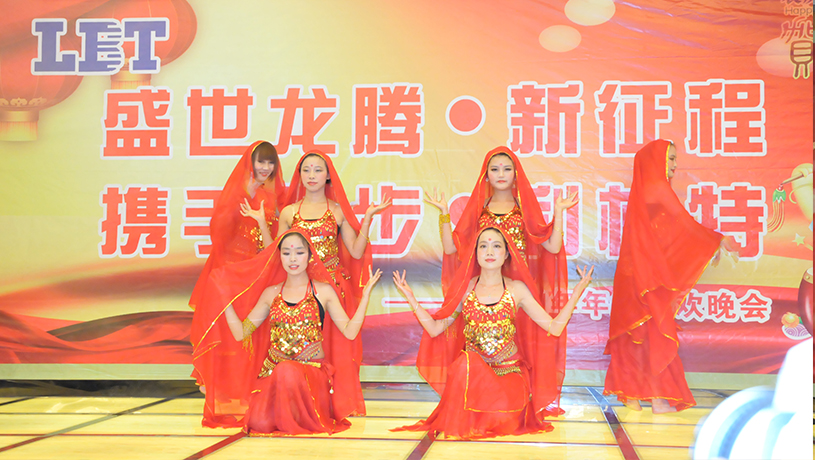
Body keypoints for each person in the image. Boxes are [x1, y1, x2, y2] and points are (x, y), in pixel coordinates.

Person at [391, 226, 593, 439]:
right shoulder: (465, 289)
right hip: (473, 377)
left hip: (509, 375)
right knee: (463, 364)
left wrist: (576, 293)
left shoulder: (517, 289)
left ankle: (480, 417)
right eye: (483, 246)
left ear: (506, 254)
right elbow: (435, 329)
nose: (489, 252)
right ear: (475, 253)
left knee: (501, 418)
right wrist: (411, 299)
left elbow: (554, 328)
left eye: (496, 246)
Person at [424, 146, 578, 412]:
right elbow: (451, 248)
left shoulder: (524, 210)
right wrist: (444, 213)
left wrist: (559, 213)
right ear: (486, 175)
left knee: (525, 347)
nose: (501, 174)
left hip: (518, 292)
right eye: (494, 169)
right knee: (479, 346)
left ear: (516, 174)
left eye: (507, 169)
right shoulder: (479, 211)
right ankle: (476, 400)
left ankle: (522, 400)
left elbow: (552, 247)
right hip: (484, 289)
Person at [193, 229, 381, 433]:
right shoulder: (270, 294)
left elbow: (349, 332)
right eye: (286, 253)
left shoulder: (323, 291)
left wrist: (365, 297)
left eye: (299, 252)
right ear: (279, 256)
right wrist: (225, 301)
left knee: (287, 371)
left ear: (309, 256)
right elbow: (241, 333)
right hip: (274, 375)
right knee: (259, 423)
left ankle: (297, 415)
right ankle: (287, 414)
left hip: (311, 374)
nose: (293, 258)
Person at [603, 139, 738, 413]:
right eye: (671, 158)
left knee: (637, 333)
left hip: (634, 274)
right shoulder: (657, 187)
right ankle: (656, 398)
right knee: (653, 332)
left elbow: (668, 234)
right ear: (657, 160)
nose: (676, 165)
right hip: (646, 276)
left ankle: (632, 397)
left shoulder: (644, 190)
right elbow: (685, 223)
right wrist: (717, 240)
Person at [276, 151, 390, 416]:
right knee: (303, 348)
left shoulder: (337, 211)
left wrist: (368, 218)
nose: (312, 175)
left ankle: (335, 405)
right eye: (306, 170)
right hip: (300, 291)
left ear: (328, 176)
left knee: (337, 349)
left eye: (318, 170)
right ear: (299, 175)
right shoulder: (289, 213)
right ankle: (302, 404)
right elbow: (275, 254)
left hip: (335, 291)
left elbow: (356, 252)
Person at [190, 141, 286, 392]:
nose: (266, 167)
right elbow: (219, 232)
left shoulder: (273, 197)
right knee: (226, 327)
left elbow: (274, 242)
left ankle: (247, 381)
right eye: (261, 161)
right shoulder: (236, 192)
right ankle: (219, 383)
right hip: (231, 269)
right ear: (250, 163)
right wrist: (246, 196)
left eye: (270, 162)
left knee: (252, 329)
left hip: (258, 272)